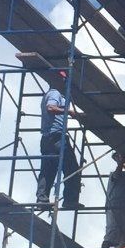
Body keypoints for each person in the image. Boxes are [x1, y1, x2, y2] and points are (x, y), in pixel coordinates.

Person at [35, 70, 81, 212]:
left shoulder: (51, 93)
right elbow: (51, 108)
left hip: (47, 138)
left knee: (48, 170)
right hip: (57, 137)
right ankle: (70, 200)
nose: (64, 82)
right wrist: (69, 112)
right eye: (63, 79)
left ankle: (42, 199)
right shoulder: (55, 93)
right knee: (72, 169)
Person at [101, 153, 125, 248]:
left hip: (123, 205)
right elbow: (116, 175)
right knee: (112, 231)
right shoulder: (114, 174)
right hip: (114, 205)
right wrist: (121, 162)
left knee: (123, 231)